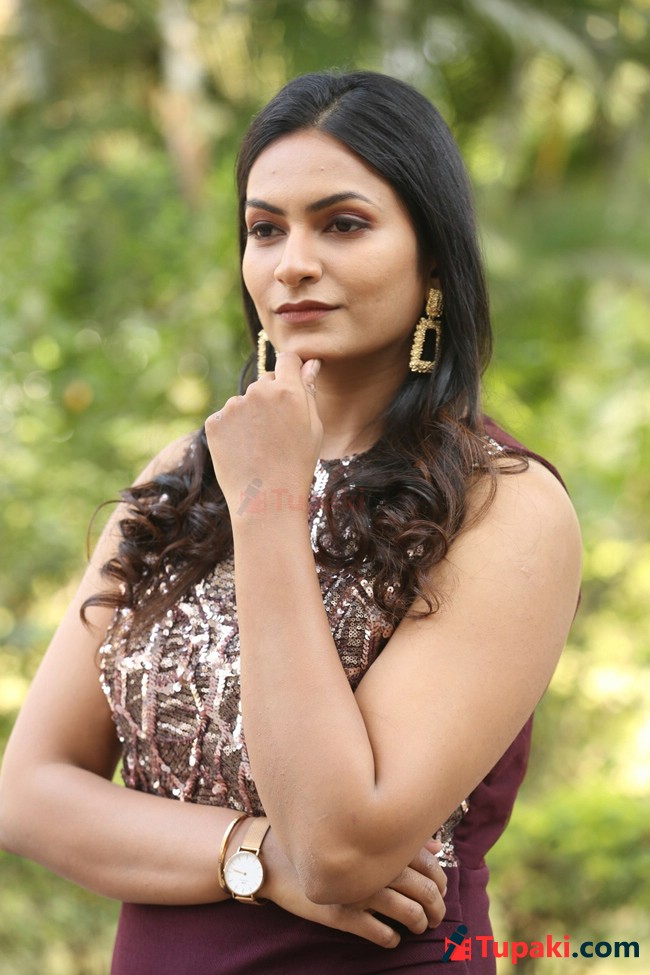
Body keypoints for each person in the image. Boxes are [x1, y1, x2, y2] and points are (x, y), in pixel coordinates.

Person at [0, 70, 581, 975]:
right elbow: (31, 793)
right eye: (265, 229)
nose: (292, 263)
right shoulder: (184, 474)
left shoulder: (503, 504)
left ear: (433, 259)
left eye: (342, 224)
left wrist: (271, 504)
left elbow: (340, 847)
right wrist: (255, 856)